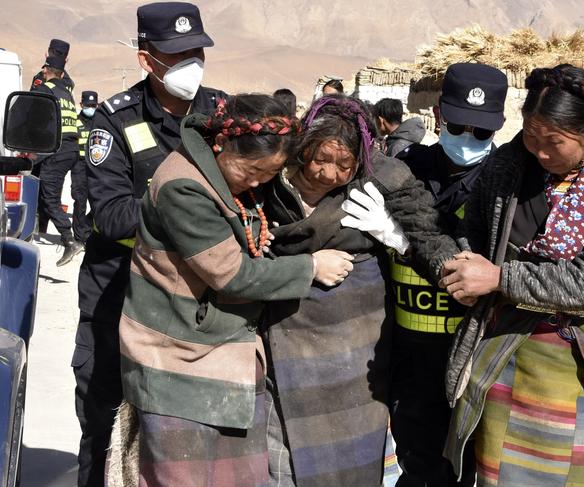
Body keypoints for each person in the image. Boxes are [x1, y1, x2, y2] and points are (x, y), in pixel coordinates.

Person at [115, 93, 355, 486]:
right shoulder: (184, 187)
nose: (258, 182)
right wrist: (310, 266)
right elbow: (231, 274)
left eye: (268, 174)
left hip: (226, 357)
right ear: (223, 144)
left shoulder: (228, 178)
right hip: (177, 360)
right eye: (252, 171)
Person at [440, 64, 584, 486]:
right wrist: (465, 267)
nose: (540, 153)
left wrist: (499, 279)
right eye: (531, 138)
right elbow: (472, 235)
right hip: (506, 357)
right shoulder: (508, 166)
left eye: (553, 142)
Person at [261, 94, 457, 487]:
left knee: (352, 447)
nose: (329, 174)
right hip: (283, 328)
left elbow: (432, 241)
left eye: (343, 165)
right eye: (320, 159)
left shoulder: (383, 176)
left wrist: (396, 237)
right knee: (280, 446)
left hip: (355, 340)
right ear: (302, 147)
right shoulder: (269, 173)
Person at [73, 3, 227, 486]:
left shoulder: (223, 114)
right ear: (147, 60)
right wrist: (187, 211)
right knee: (104, 423)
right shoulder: (113, 121)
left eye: (197, 51)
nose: (192, 63)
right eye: (177, 54)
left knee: (190, 430)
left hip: (198, 300)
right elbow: (112, 214)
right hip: (118, 294)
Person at [373, 63, 506, 487]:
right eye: (459, 126)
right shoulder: (405, 169)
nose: (469, 139)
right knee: (418, 465)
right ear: (437, 118)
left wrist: (405, 243)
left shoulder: (505, 186)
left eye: (482, 133)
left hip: (471, 356)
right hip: (409, 356)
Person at [31, 53, 83, 265]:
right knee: (49, 194)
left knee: (48, 198)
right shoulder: (66, 92)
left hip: (58, 150)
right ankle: (40, 228)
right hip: (70, 150)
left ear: (45, 70)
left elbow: (33, 119)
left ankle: (70, 240)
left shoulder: (46, 89)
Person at [70, 90, 97, 248]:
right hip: (79, 166)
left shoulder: (100, 121)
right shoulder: (75, 122)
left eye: (93, 105)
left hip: (96, 167)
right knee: (80, 202)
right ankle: (79, 238)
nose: (90, 108)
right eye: (88, 105)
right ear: (81, 104)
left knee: (98, 202)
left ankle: (88, 230)